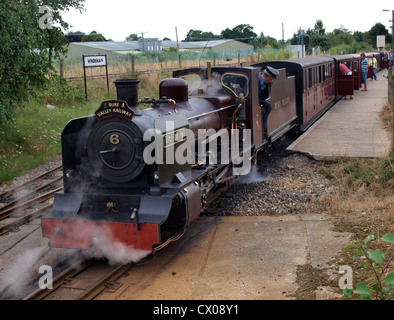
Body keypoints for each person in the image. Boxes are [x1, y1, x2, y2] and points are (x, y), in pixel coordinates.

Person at [258, 66, 279, 138]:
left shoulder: (265, 83)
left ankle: (264, 129)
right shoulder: (256, 81)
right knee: (267, 107)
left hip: (259, 101)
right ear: (269, 77)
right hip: (253, 101)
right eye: (272, 79)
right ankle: (263, 129)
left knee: (267, 106)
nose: (271, 81)